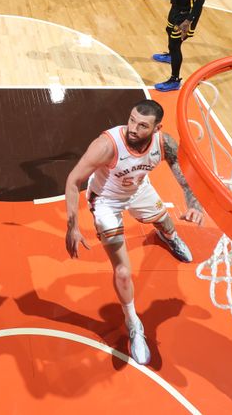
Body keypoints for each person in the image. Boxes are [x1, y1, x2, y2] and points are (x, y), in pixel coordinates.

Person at [64, 99, 204, 365]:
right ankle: (133, 324)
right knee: (124, 271)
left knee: (165, 222)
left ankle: (169, 237)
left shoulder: (164, 144)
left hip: (138, 189)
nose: (133, 128)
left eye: (142, 125)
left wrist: (194, 205)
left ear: (156, 128)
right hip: (106, 201)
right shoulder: (107, 145)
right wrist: (72, 226)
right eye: (131, 120)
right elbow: (73, 180)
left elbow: (186, 176)